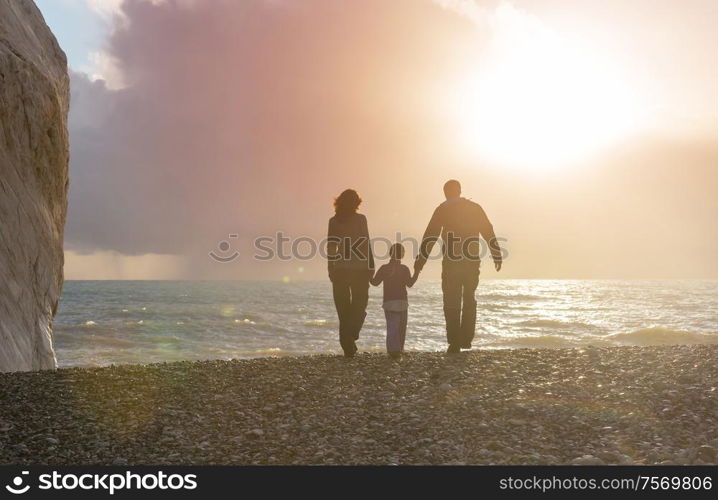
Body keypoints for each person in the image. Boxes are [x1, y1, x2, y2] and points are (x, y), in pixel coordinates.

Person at [414, 180, 503, 353]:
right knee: (469, 297)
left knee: (451, 300)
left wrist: (420, 262)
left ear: (446, 192)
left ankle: (454, 341)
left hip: (451, 262)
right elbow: (487, 230)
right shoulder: (474, 208)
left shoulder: (442, 210)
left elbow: (430, 235)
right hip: (471, 261)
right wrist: (496, 253)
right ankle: (466, 339)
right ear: (460, 191)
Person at [327, 189, 374, 358]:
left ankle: (348, 345)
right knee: (359, 305)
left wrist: (330, 268)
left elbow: (331, 247)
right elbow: (366, 242)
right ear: (356, 203)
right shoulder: (361, 219)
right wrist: (371, 266)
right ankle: (351, 336)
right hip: (360, 269)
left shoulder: (334, 221)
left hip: (340, 269)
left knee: (343, 310)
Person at [370, 243, 419, 359]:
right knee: (401, 327)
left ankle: (393, 350)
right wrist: (417, 271)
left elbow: (374, 282)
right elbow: (410, 284)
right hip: (402, 301)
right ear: (401, 255)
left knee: (392, 327)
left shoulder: (384, 268)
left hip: (389, 302)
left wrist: (369, 271)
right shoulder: (404, 269)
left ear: (390, 253)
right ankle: (399, 349)